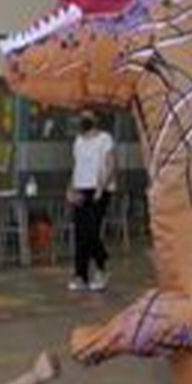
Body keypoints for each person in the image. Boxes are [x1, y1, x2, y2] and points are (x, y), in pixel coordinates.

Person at [67, 112, 118, 291]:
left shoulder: (105, 138)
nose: (83, 118)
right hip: (81, 187)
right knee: (80, 232)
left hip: (99, 189)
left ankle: (101, 267)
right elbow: (76, 166)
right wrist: (71, 188)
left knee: (91, 230)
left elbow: (111, 163)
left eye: (87, 114)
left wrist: (101, 187)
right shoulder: (78, 141)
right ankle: (80, 275)